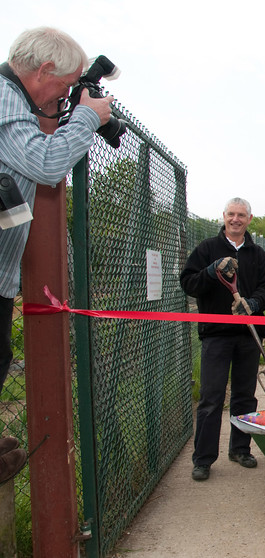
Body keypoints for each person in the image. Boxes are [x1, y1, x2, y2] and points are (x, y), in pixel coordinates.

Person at [0, 26, 114, 484]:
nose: (66, 94)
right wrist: (86, 118)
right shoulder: (6, 99)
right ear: (44, 70)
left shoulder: (19, 104)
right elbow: (47, 165)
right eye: (65, 84)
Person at [180, 198, 265, 481]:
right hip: (216, 336)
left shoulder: (257, 254)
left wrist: (254, 304)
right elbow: (188, 282)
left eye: (241, 215)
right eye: (231, 214)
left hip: (247, 335)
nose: (236, 219)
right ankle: (204, 459)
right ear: (224, 216)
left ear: (249, 218)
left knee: (245, 396)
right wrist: (210, 271)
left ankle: (240, 449)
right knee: (211, 398)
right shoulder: (207, 249)